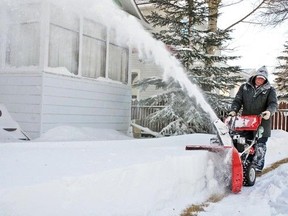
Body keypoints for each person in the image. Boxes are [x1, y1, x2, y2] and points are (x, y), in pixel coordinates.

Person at [228, 66, 278, 172]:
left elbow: (273, 104)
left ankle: (257, 167)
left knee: (260, 144)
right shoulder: (245, 87)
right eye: (258, 77)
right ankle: (243, 163)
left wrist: (269, 112)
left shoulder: (270, 90)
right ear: (255, 77)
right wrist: (234, 110)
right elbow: (237, 100)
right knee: (242, 142)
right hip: (246, 122)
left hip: (262, 122)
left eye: (263, 78)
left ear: (265, 80)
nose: (260, 80)